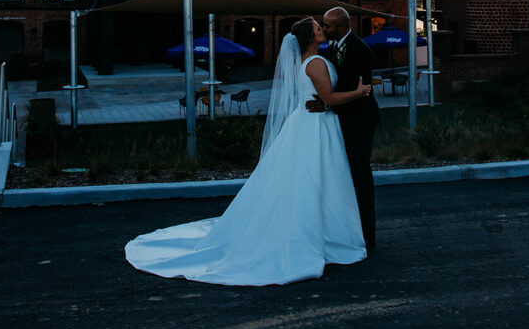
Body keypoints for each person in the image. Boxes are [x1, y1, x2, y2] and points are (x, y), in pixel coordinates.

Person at [125, 17, 372, 286]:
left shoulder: (306, 63)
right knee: (317, 180)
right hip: (317, 128)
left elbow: (320, 99)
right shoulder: (315, 63)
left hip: (310, 123)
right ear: (310, 38)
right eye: (317, 28)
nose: (321, 30)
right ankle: (323, 235)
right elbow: (329, 98)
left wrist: (325, 103)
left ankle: (319, 231)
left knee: (308, 181)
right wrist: (359, 93)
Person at [306, 7, 379, 249]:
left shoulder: (360, 50)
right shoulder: (334, 46)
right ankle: (347, 229)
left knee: (359, 175)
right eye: (322, 25)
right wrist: (327, 100)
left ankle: (367, 235)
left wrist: (327, 103)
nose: (324, 29)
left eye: (327, 26)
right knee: (344, 176)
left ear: (342, 26)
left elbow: (358, 93)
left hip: (360, 120)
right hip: (343, 118)